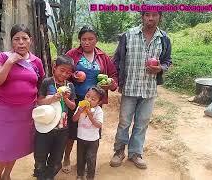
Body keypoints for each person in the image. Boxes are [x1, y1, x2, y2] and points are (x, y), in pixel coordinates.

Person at [110, 0, 172, 169]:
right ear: (142, 16)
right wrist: (115, 80)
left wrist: (160, 68)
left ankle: (135, 153)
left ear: (160, 17)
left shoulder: (164, 39)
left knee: (142, 122)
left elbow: (168, 61)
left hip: (149, 89)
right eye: (147, 14)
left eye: (154, 15)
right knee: (124, 121)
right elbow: (116, 60)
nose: (150, 18)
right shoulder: (128, 35)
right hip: (129, 87)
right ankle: (119, 151)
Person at [0, 24, 45, 180]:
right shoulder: (2, 57)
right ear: (11, 42)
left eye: (24, 38)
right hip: (6, 111)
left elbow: (40, 83)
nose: (21, 42)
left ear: (31, 41)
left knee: (14, 146)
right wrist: (10, 62)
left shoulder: (36, 61)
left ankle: (7, 175)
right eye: (17, 39)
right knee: (3, 148)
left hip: (26, 111)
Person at [63, 25, 118, 173]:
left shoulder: (103, 56)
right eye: (83, 39)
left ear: (96, 40)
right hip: (76, 98)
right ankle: (67, 157)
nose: (87, 42)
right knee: (73, 130)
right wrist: (72, 76)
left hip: (95, 100)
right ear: (80, 40)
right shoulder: (72, 54)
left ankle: (87, 159)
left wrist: (111, 84)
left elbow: (113, 75)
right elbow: (63, 72)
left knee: (92, 129)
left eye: (90, 39)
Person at [33, 55, 76, 180]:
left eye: (68, 72)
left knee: (56, 160)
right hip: (45, 127)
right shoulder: (47, 82)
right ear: (54, 68)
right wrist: (53, 98)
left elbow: (73, 107)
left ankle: (49, 176)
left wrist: (66, 98)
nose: (64, 74)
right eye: (62, 70)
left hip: (62, 128)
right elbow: (39, 101)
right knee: (40, 158)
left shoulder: (70, 86)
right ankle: (41, 175)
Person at [72, 86, 105, 180]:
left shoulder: (99, 111)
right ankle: (80, 175)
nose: (89, 100)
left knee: (91, 158)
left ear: (99, 102)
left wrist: (90, 116)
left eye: (93, 99)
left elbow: (99, 125)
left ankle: (90, 176)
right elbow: (74, 119)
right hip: (81, 137)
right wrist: (79, 112)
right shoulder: (80, 107)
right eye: (87, 96)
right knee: (80, 158)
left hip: (93, 140)